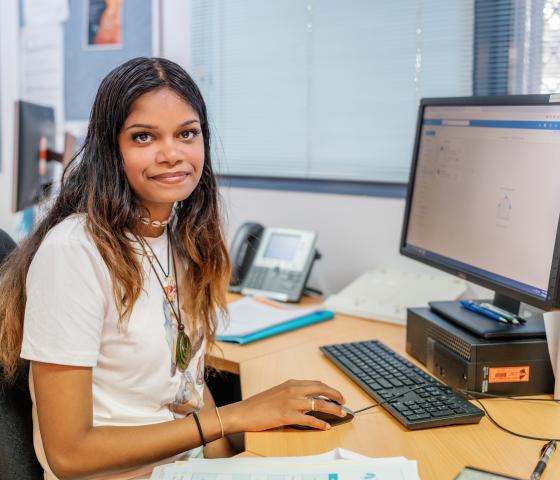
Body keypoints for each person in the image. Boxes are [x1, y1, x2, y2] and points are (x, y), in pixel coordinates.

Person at [0, 57, 347, 480]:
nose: (172, 154)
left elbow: (191, 392)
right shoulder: (73, 254)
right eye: (144, 137)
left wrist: (237, 463)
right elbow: (69, 455)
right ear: (111, 150)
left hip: (184, 468)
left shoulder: (179, 241)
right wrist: (236, 418)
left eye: (187, 133)